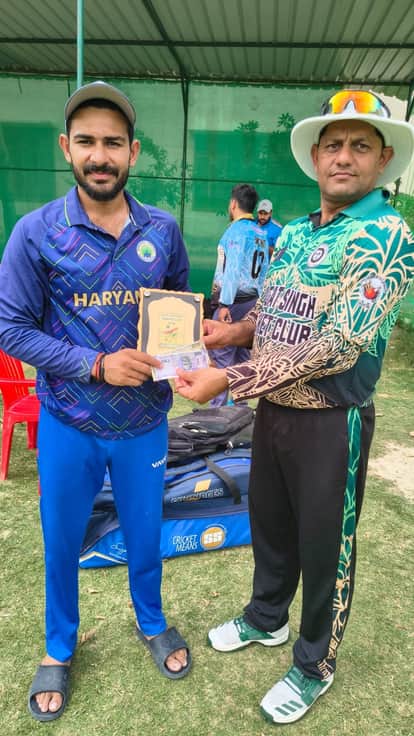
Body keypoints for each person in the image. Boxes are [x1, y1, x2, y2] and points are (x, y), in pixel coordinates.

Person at [175, 89, 414, 724]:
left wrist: (230, 379)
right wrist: (229, 333)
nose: (343, 157)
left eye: (359, 146)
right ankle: (266, 618)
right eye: (332, 145)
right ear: (315, 157)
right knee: (272, 524)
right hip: (274, 412)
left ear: (382, 159)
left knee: (325, 544)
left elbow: (340, 344)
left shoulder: (387, 234)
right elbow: (275, 309)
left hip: (332, 420)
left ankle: (314, 664)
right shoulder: (299, 232)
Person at [0, 81, 192, 722]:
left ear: (133, 151)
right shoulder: (35, 233)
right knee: (62, 540)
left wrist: (187, 357)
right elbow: (11, 329)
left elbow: (176, 313)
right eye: (86, 141)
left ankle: (152, 620)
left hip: (144, 424)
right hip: (69, 423)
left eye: (113, 142)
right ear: (67, 147)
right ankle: (59, 645)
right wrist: (96, 364)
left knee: (145, 533)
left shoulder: (162, 230)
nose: (99, 155)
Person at [209, 183, 269, 406]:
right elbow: (265, 272)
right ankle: (241, 411)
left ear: (233, 204)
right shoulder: (261, 233)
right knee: (243, 360)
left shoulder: (235, 231)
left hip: (232, 303)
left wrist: (224, 304)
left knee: (221, 355)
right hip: (253, 302)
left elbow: (232, 269)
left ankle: (217, 411)